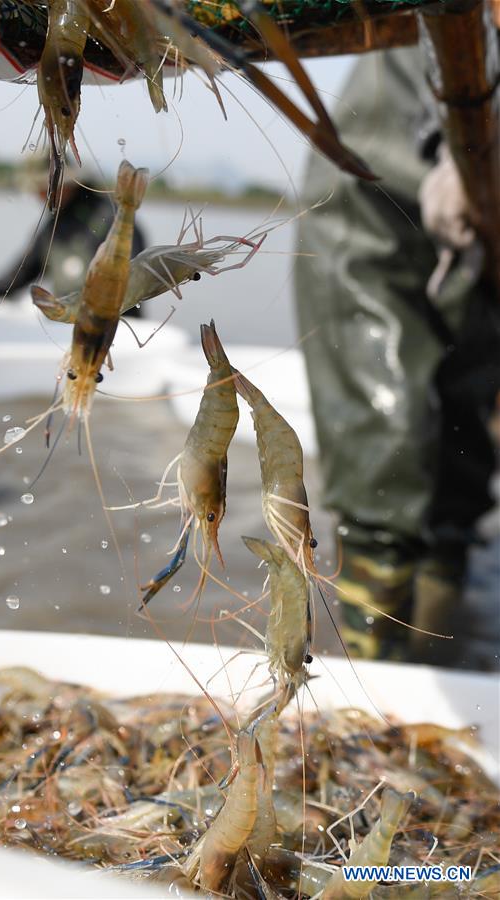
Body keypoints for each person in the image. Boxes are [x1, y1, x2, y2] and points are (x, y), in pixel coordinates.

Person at [294, 48, 500, 668]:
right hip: (374, 195)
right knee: (383, 459)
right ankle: (372, 675)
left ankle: (441, 650)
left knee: (462, 463)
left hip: (479, 241)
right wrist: (463, 153)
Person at [0, 160, 146, 312]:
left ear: (66, 183)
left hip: (116, 320)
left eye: (44, 188)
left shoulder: (110, 216)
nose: (40, 196)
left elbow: (135, 276)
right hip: (70, 318)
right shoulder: (52, 227)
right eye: (38, 190)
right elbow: (26, 268)